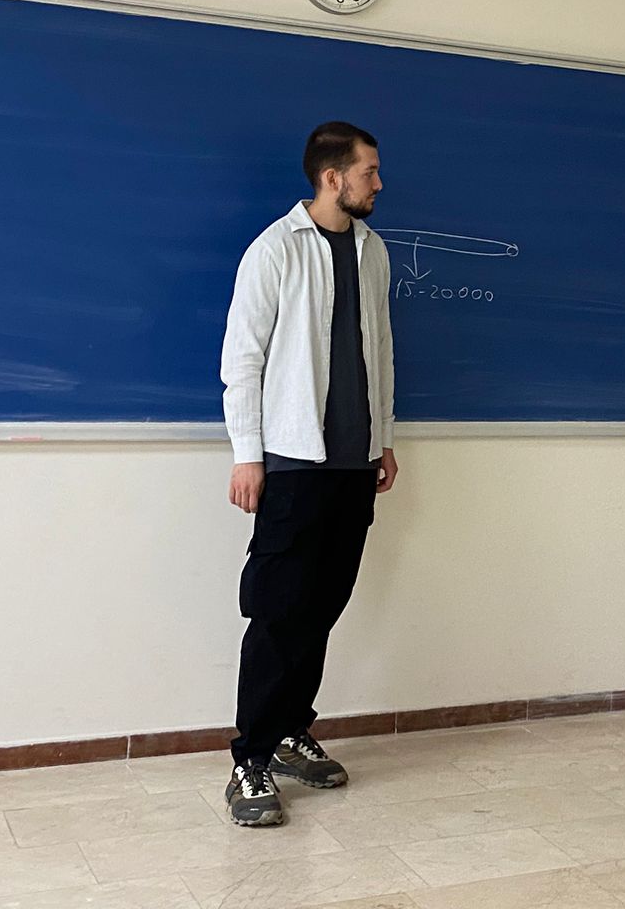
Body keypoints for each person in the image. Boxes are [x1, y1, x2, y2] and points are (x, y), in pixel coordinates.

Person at [218, 120, 397, 827]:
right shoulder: (275, 249)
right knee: (277, 612)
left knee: (323, 605)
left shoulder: (373, 250)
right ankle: (250, 759)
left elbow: (381, 350)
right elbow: (243, 358)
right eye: (369, 171)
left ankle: (293, 731)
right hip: (293, 464)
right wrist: (248, 454)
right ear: (332, 177)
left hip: (354, 463)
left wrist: (383, 438)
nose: (378, 183)